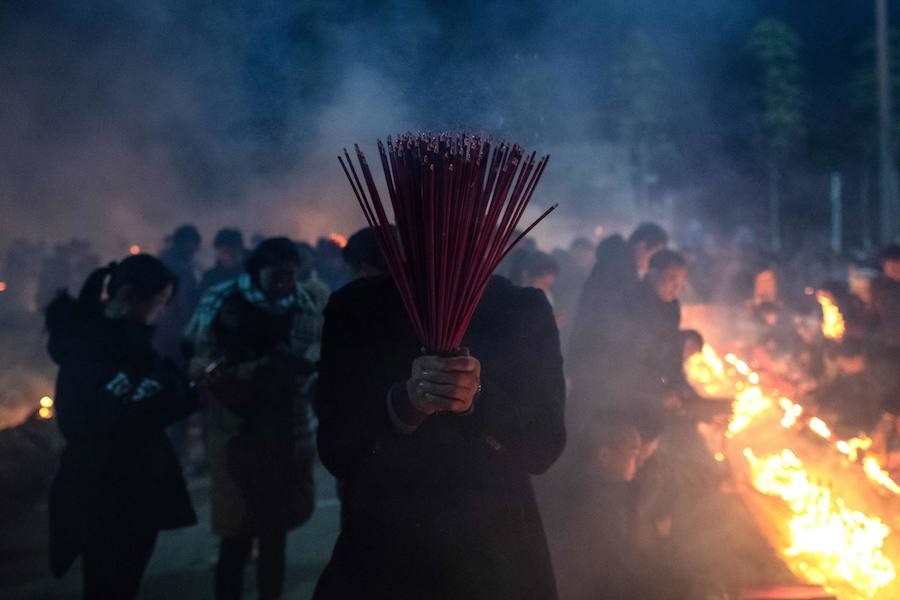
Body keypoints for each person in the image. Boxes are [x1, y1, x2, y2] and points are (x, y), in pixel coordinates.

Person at [313, 272, 566, 599]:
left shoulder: (519, 308)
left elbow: (543, 446)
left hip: (497, 558)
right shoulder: (359, 306)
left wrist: (478, 397)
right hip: (384, 552)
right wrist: (403, 405)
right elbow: (336, 448)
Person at [45, 255, 197, 600]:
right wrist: (173, 390)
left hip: (130, 490)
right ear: (129, 295)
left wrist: (184, 382)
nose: (161, 313)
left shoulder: (127, 342)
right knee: (108, 584)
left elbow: (156, 394)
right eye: (158, 303)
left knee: (122, 583)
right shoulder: (92, 348)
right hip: (106, 490)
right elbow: (109, 415)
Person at [188, 237, 323, 600]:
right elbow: (199, 353)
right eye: (275, 275)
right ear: (256, 272)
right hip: (235, 429)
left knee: (275, 534)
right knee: (236, 534)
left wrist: (284, 367)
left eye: (290, 276)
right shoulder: (223, 300)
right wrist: (241, 371)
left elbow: (309, 362)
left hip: (287, 428)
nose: (283, 284)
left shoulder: (305, 305)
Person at [154, 224, 202, 364]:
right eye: (193, 245)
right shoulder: (177, 268)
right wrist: (190, 327)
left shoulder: (167, 262)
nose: (194, 250)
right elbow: (182, 301)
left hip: (163, 327)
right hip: (173, 328)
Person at [200, 228, 247, 294]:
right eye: (223, 249)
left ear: (239, 249)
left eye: (231, 248)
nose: (228, 253)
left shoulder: (247, 275)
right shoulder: (210, 276)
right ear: (217, 249)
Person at [872, 245, 900, 350]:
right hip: (886, 345)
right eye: (887, 265)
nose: (891, 269)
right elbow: (873, 315)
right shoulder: (879, 286)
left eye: (895, 265)